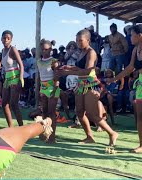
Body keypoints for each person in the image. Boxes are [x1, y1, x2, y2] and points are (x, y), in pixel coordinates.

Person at [57, 29, 118, 147]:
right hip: (81, 84)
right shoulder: (81, 52)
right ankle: (89, 136)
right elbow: (79, 68)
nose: (78, 43)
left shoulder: (91, 52)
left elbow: (87, 70)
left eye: (80, 41)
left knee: (91, 113)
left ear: (88, 40)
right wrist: (68, 67)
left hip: (90, 84)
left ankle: (112, 133)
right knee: (79, 112)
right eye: (77, 41)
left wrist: (66, 73)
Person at [106, 24, 142, 153]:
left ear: (140, 36)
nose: (129, 37)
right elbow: (129, 68)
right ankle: (141, 145)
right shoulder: (135, 50)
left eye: (131, 35)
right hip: (140, 84)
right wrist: (114, 79)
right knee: (138, 116)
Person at [37, 39, 60, 143]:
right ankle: (45, 133)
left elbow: (57, 77)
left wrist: (55, 90)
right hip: (43, 87)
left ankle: (52, 136)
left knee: (51, 113)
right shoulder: (39, 61)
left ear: (50, 49)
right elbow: (39, 77)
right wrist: (38, 89)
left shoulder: (54, 61)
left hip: (52, 88)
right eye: (42, 49)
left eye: (46, 49)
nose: (44, 51)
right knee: (44, 112)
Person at [1, 30, 24, 127]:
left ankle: (21, 127)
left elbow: (21, 65)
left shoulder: (13, 49)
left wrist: (21, 79)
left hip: (15, 77)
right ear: (1, 39)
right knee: (4, 104)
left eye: (8, 38)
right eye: (4, 38)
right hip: (7, 79)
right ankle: (10, 126)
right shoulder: (2, 51)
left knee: (13, 104)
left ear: (11, 40)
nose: (6, 40)